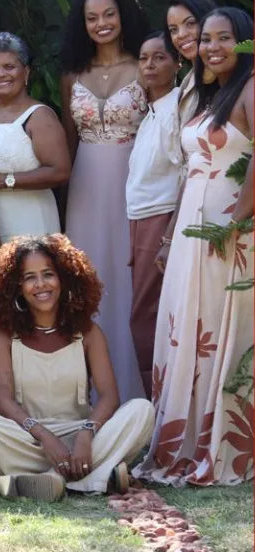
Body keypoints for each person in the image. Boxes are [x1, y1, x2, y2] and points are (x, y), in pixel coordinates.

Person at [138, 7, 254, 486]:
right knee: (188, 325)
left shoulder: (250, 88)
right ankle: (182, 441)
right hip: (191, 230)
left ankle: (220, 446)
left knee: (218, 329)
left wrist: (236, 222)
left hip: (229, 231)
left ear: (245, 42)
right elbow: (192, 171)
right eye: (206, 39)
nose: (211, 47)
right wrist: (168, 240)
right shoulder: (212, 97)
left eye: (224, 38)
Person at [0, 235, 155, 498]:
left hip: (80, 434)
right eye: (29, 277)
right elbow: (1, 398)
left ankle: (46, 479)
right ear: (15, 287)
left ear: (64, 279)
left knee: (141, 410)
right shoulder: (3, 335)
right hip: (28, 436)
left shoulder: (88, 333)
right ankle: (94, 477)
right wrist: (44, 436)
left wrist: (86, 434)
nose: (41, 284)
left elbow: (110, 396)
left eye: (48, 274)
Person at [59, 0, 149, 403]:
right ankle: (89, 396)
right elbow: (68, 141)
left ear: (123, 16)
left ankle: (137, 395)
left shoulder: (146, 67)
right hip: (85, 185)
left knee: (130, 277)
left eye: (108, 14)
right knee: (88, 277)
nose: (101, 24)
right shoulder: (72, 76)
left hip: (135, 182)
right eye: (92, 18)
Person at [0, 32, 68, 241]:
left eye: (9, 67)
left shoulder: (38, 116)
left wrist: (5, 181)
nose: (0, 74)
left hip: (30, 220)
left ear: (26, 72)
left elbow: (60, 172)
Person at [125, 32, 183, 398]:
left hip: (161, 217)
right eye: (143, 58)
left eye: (159, 57)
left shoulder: (181, 105)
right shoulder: (152, 109)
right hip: (141, 216)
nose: (148, 64)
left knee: (146, 317)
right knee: (148, 313)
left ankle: (161, 406)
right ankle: (157, 407)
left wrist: (167, 237)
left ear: (178, 64)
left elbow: (187, 171)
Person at [164, 0, 217, 125]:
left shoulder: (237, 75)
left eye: (190, 23)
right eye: (173, 30)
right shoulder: (185, 88)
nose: (181, 35)